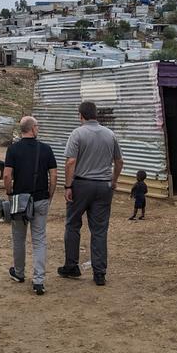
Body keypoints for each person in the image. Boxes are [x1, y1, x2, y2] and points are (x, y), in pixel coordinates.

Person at [58, 101, 123, 286]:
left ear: (81, 115)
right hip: (103, 187)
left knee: (72, 224)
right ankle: (100, 273)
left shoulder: (77, 133)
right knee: (100, 230)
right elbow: (119, 161)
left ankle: (71, 266)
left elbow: (70, 162)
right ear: (96, 114)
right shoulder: (110, 134)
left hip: (81, 185)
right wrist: (114, 180)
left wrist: (68, 186)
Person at [4, 116, 57, 296]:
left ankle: (19, 273)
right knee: (39, 239)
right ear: (33, 128)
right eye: (37, 126)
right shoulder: (46, 149)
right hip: (41, 198)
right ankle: (38, 281)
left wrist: (10, 193)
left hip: (20, 199)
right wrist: (50, 193)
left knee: (19, 237)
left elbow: (7, 175)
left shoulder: (13, 149)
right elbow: (53, 175)